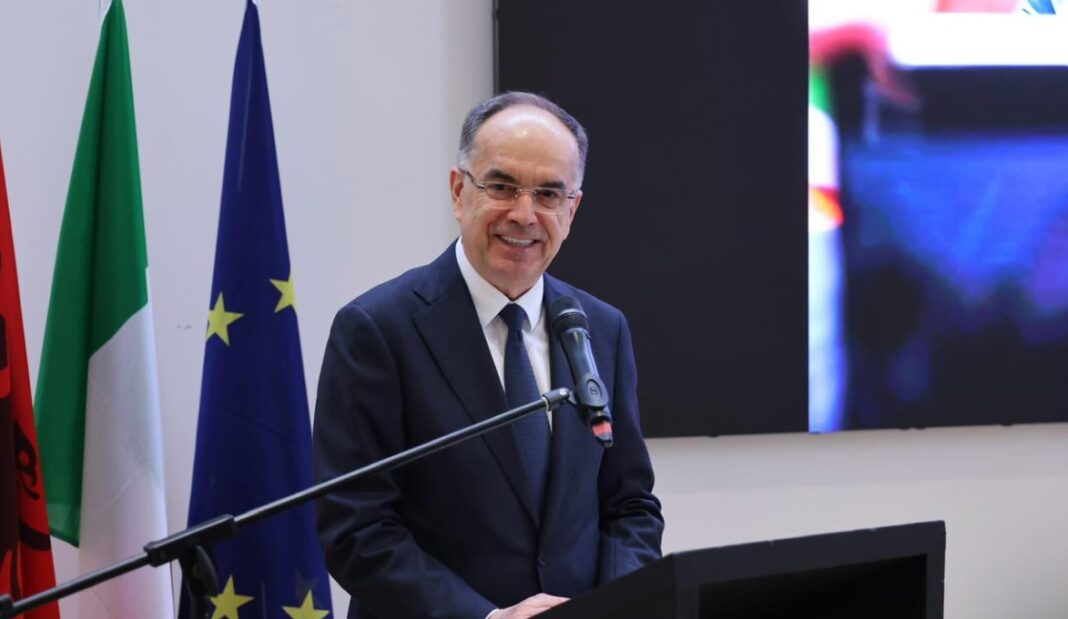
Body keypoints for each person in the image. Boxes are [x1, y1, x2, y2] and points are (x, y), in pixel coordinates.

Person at [313, 91, 664, 619]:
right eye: (501, 187)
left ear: (572, 209)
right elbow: (356, 526)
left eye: (549, 194)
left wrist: (610, 606)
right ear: (459, 192)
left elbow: (629, 504)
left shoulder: (602, 328)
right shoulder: (377, 330)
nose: (524, 215)